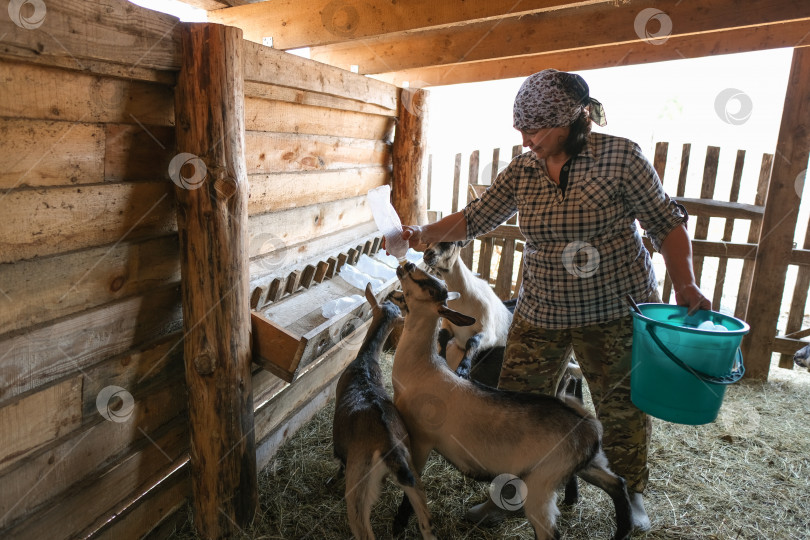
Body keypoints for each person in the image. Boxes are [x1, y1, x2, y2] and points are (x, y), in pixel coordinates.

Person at [399, 69, 711, 531]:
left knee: (620, 404)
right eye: (520, 130)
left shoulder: (621, 158)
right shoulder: (524, 170)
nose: (527, 140)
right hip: (543, 308)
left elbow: (666, 223)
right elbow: (475, 218)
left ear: (574, 119)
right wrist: (421, 233)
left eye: (536, 130)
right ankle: (510, 493)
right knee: (516, 406)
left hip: (613, 307)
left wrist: (685, 284)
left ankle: (628, 491)